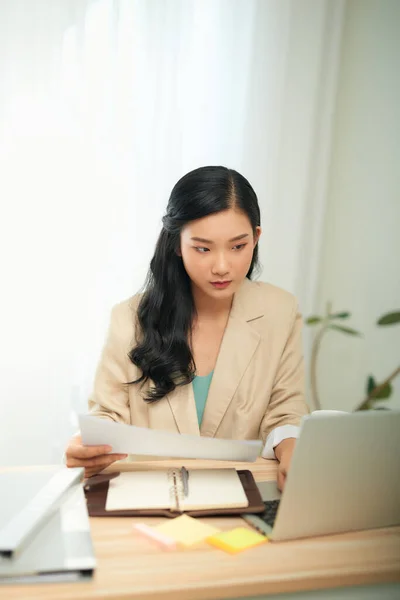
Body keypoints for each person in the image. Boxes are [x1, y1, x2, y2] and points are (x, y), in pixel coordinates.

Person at [65, 166, 309, 489]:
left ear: (256, 239)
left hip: (241, 498)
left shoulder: (280, 311)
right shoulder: (129, 319)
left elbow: (285, 412)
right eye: (203, 248)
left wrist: (293, 451)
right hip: (154, 499)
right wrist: (87, 444)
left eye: (238, 246)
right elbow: (107, 417)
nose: (222, 266)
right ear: (177, 243)